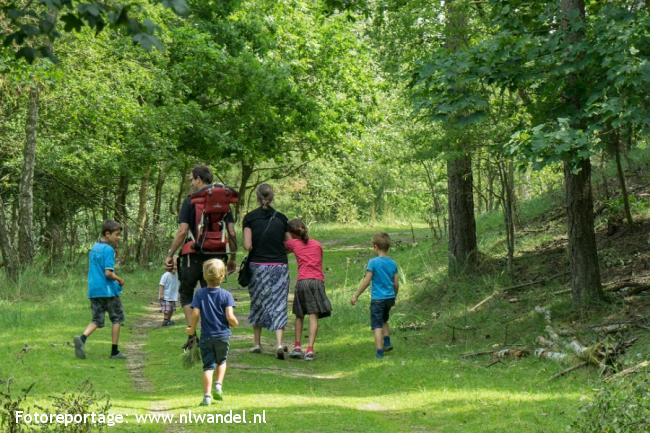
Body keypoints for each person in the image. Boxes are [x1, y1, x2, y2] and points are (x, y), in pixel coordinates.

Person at [164, 165, 238, 347]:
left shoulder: (190, 201)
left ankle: (192, 336)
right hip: (217, 255)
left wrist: (170, 254)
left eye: (192, 179)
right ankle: (211, 334)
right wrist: (232, 257)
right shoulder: (225, 202)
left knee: (187, 293)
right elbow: (232, 232)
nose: (191, 182)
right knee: (211, 293)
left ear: (198, 179)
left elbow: (182, 231)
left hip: (193, 254)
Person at [242, 183, 290, 359]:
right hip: (279, 266)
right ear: (272, 197)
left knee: (258, 302)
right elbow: (289, 245)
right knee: (279, 302)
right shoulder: (282, 219)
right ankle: (278, 343)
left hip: (258, 266)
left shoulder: (249, 218)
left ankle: (256, 343)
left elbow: (248, 245)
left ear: (257, 196)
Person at [187, 259, 238, 406]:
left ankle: (207, 397)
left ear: (204, 276)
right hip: (223, 335)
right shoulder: (226, 295)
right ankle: (218, 385)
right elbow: (230, 316)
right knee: (221, 361)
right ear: (223, 276)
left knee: (208, 366)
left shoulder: (200, 294)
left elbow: (195, 314)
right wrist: (234, 322)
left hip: (206, 336)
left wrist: (191, 328)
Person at [73, 220, 126, 360]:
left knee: (97, 319)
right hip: (108, 291)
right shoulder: (109, 250)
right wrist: (119, 279)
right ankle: (115, 352)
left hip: (94, 290)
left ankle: (82, 338)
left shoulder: (94, 248)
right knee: (117, 319)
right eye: (117, 234)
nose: (118, 238)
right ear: (107, 234)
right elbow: (108, 273)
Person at [285, 218, 332, 361]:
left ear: (292, 234)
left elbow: (284, 247)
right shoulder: (317, 244)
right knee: (313, 316)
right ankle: (310, 349)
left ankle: (297, 346)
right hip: (317, 282)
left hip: (302, 282)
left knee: (299, 315)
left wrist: (287, 234)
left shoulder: (293, 243)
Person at [350, 232, 399, 359]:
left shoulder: (373, 262)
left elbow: (367, 281)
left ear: (375, 247)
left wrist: (356, 295)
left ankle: (379, 351)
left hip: (378, 299)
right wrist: (394, 296)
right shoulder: (393, 263)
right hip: (389, 298)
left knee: (377, 325)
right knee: (384, 320)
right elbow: (396, 284)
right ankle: (387, 342)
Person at [158, 258, 179, 326]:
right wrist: (161, 294)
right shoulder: (166, 275)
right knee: (167, 310)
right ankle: (165, 320)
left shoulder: (177, 275)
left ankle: (168, 320)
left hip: (173, 296)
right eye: (173, 265)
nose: (175, 267)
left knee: (172, 309)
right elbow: (161, 285)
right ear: (168, 266)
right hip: (165, 296)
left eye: (176, 265)